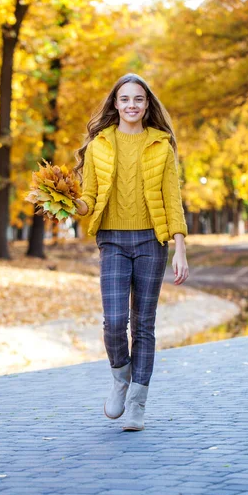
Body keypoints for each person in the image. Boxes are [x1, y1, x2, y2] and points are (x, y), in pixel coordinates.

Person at [73, 73, 189, 432]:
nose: (132, 105)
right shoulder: (99, 146)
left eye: (139, 99)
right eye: (125, 99)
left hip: (152, 242)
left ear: (147, 105)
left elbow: (173, 200)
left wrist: (180, 250)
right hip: (111, 239)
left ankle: (138, 402)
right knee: (113, 322)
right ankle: (120, 377)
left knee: (143, 324)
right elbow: (89, 198)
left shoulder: (161, 145)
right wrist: (67, 204)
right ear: (115, 105)